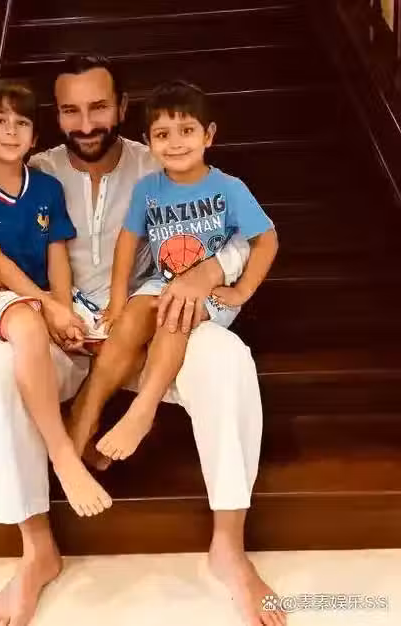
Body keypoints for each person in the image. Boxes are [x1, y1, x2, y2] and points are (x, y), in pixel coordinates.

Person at [0, 56, 286, 626]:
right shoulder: (32, 170)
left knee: (228, 358)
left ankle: (228, 545)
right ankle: (37, 549)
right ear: (55, 116)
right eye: (71, 111)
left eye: (99, 107)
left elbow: (234, 232)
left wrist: (208, 272)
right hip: (62, 332)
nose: (86, 124)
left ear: (122, 108)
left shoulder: (161, 157)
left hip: (151, 328)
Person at [76, 81, 278, 465]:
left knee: (175, 314)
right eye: (162, 134)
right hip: (161, 279)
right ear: (148, 142)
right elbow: (127, 241)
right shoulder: (148, 189)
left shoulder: (229, 188)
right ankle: (86, 419)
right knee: (132, 318)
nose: (176, 143)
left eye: (187, 130)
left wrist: (243, 292)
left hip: (207, 293)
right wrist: (118, 301)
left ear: (208, 135)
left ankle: (143, 409)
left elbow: (266, 240)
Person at [0, 79, 113, 518]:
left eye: (21, 123)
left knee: (105, 338)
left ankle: (94, 429)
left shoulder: (46, 187)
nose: (11, 130)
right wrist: (46, 306)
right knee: (24, 322)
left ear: (35, 137)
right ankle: (62, 454)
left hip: (47, 298)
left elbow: (58, 254)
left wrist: (62, 309)